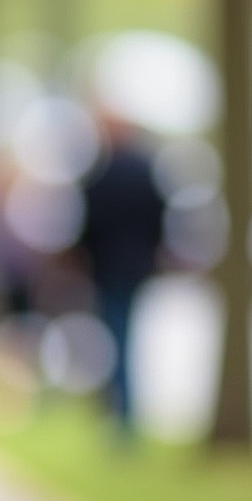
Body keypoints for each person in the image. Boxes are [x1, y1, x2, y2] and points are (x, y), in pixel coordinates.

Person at [77, 115, 167, 440]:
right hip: (136, 268)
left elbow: (88, 223)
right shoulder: (145, 170)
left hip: (108, 269)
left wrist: (84, 256)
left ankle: (121, 414)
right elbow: (160, 217)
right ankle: (121, 411)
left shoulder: (101, 171)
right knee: (124, 339)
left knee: (116, 339)